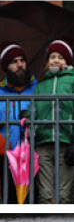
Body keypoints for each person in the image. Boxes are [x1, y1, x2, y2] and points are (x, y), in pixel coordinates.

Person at [33, 39, 74, 204]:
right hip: (43, 143)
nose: (56, 60)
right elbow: (34, 109)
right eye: (52, 57)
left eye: (60, 57)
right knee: (44, 193)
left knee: (63, 194)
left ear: (67, 61)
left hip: (66, 142)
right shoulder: (41, 85)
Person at [0, 43, 38, 204]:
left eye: (22, 60)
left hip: (35, 157)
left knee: (34, 201)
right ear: (6, 67)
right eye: (14, 61)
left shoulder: (39, 89)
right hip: (6, 158)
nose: (20, 64)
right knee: (10, 202)